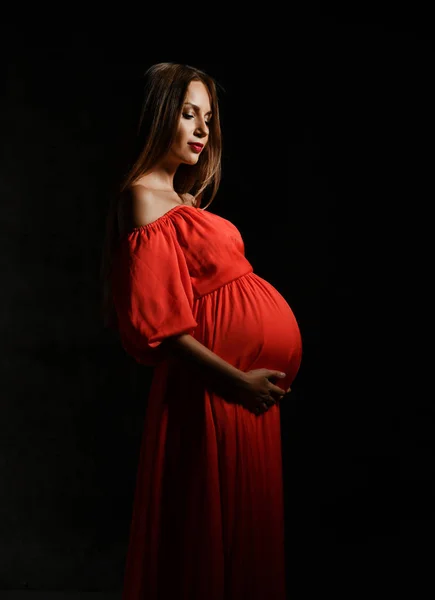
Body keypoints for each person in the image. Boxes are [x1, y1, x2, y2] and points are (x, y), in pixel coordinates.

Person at [101, 62, 302, 600]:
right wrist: (237, 382)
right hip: (214, 393)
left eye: (207, 118)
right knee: (207, 539)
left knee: (244, 537)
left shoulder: (183, 202)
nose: (201, 129)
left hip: (244, 396)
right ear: (158, 116)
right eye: (187, 114)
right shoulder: (141, 197)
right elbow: (160, 329)